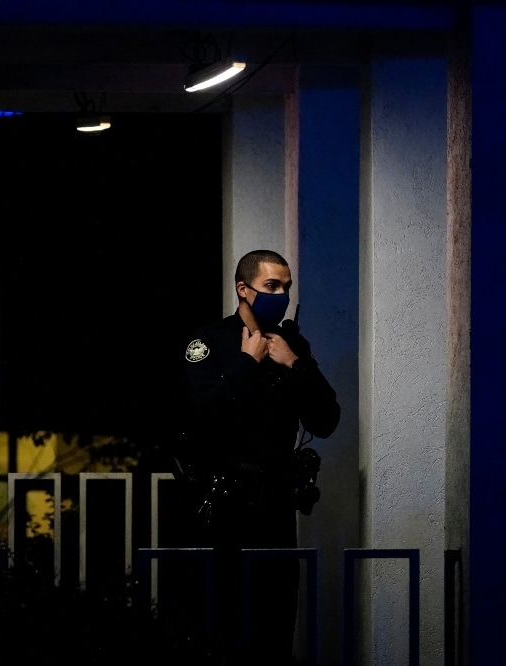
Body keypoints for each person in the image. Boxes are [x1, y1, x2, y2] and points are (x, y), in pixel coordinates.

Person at [178, 249, 340, 665]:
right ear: (243, 289)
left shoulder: (291, 344)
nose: (281, 295)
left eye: (286, 287)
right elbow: (200, 416)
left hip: (276, 506)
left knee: (275, 624)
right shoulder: (209, 341)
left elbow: (325, 419)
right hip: (223, 506)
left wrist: (295, 364)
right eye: (271, 286)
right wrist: (248, 363)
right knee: (221, 625)